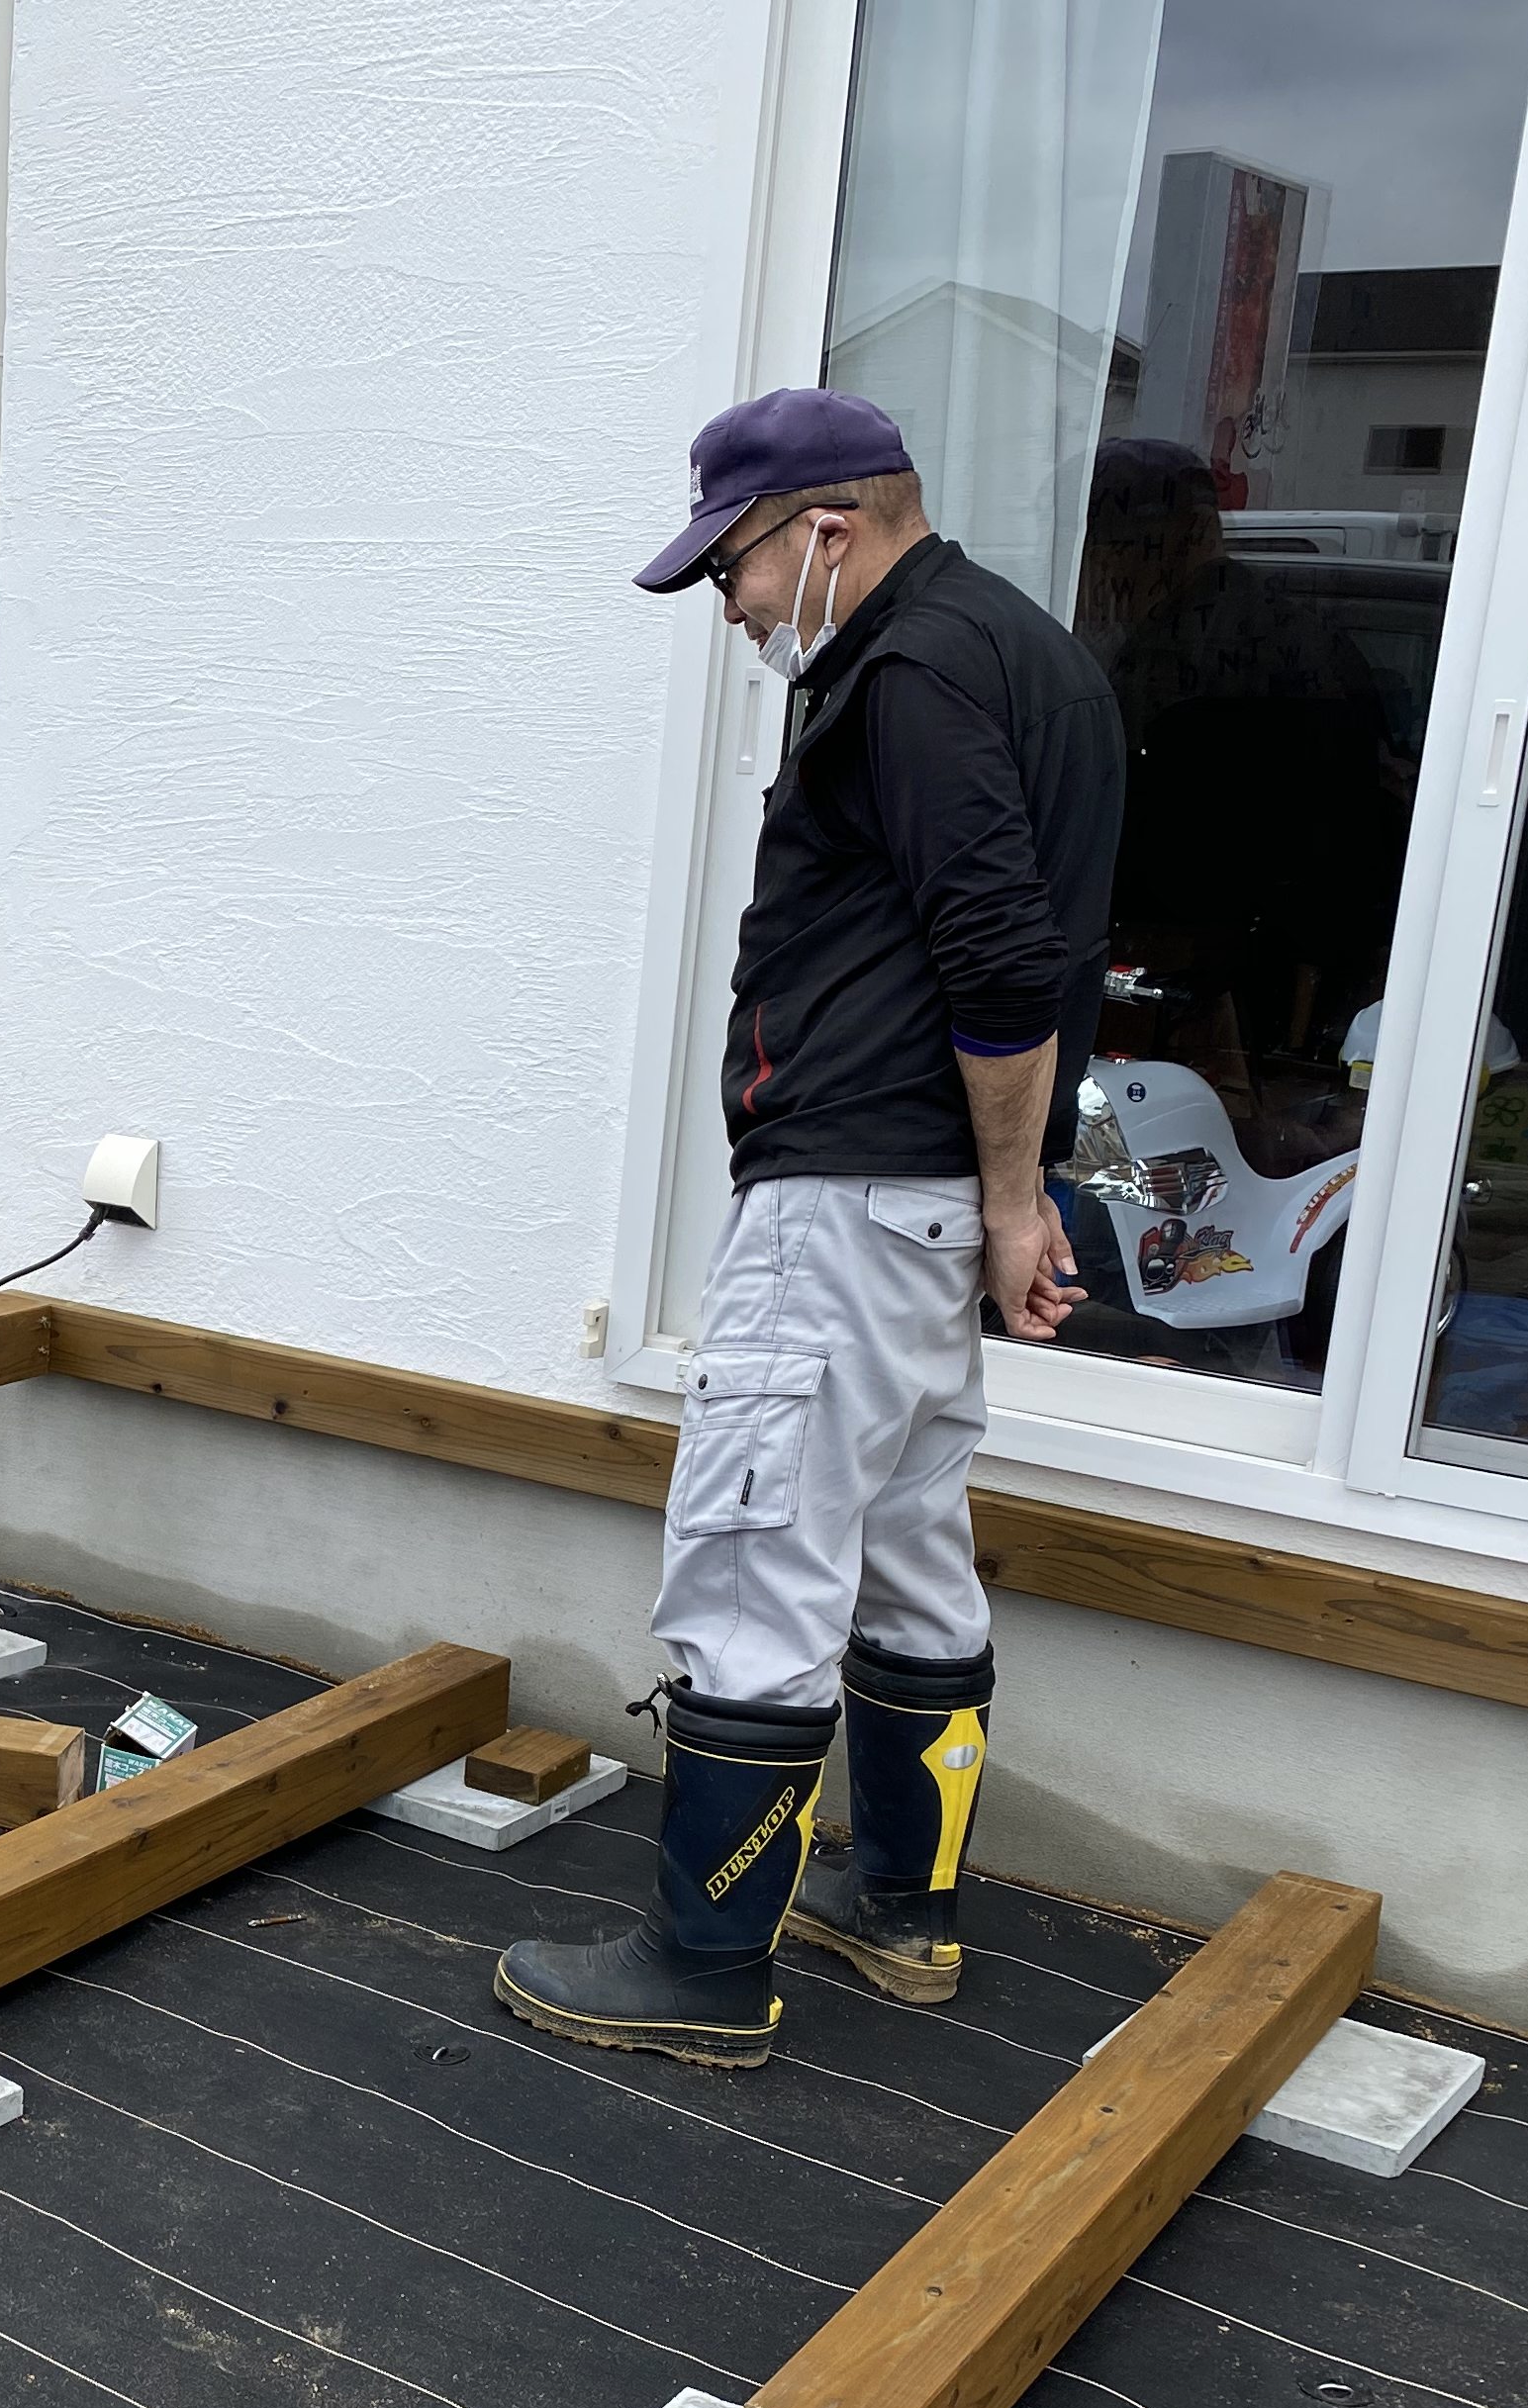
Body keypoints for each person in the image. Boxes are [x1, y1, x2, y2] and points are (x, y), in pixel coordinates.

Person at [492, 389, 1123, 2069]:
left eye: (737, 566)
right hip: (918, 1205)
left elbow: (996, 955)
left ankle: (703, 1963)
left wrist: (1010, 1195)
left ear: (827, 528)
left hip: (854, 1201)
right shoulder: (1028, 653)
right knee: (909, 1539)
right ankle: (899, 1909)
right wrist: (1002, 1188)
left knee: (757, 1549)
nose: (732, 603)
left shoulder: (905, 672)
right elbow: (1031, 957)